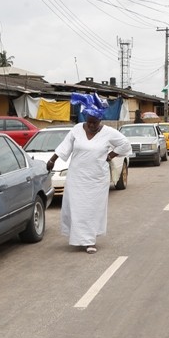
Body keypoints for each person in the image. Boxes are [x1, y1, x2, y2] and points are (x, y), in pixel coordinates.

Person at [47, 109, 131, 254]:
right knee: (77, 208)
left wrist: (110, 155)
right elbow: (64, 146)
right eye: (89, 122)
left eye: (95, 123)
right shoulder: (77, 129)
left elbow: (125, 144)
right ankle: (79, 238)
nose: (92, 125)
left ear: (100, 121)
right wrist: (52, 160)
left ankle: (90, 241)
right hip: (77, 177)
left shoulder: (109, 132)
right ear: (86, 119)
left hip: (97, 178)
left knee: (92, 209)